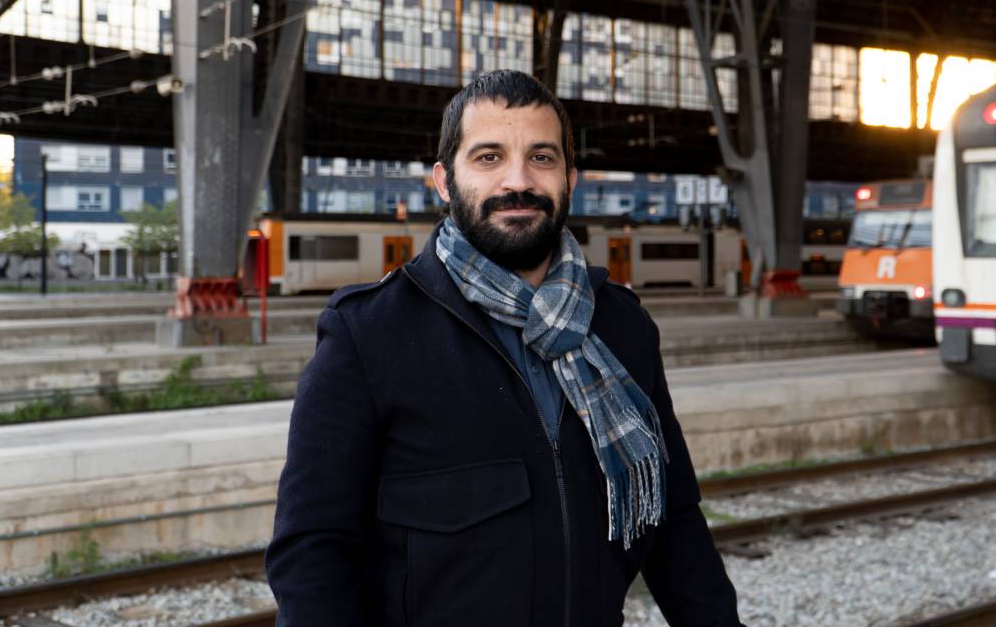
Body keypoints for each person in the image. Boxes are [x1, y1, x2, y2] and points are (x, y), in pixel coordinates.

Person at [266, 70, 743, 626]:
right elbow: (313, 551)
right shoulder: (368, 335)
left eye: (542, 157)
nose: (518, 181)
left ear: (570, 177)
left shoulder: (623, 327)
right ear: (444, 182)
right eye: (489, 157)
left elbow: (675, 524)